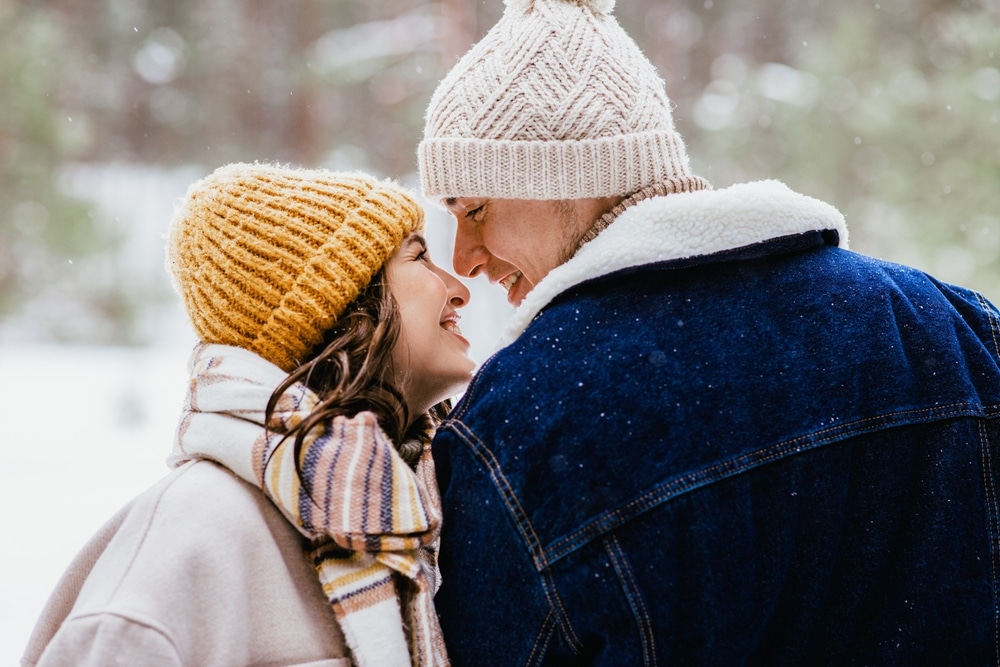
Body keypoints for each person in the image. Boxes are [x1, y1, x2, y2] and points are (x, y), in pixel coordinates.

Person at [417, 0, 1000, 664]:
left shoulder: (525, 419)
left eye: (477, 208)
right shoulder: (951, 326)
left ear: (568, 180)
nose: (463, 257)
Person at [21, 163, 472, 667]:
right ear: (341, 304)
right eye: (420, 257)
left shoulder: (415, 513)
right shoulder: (197, 536)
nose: (459, 288)